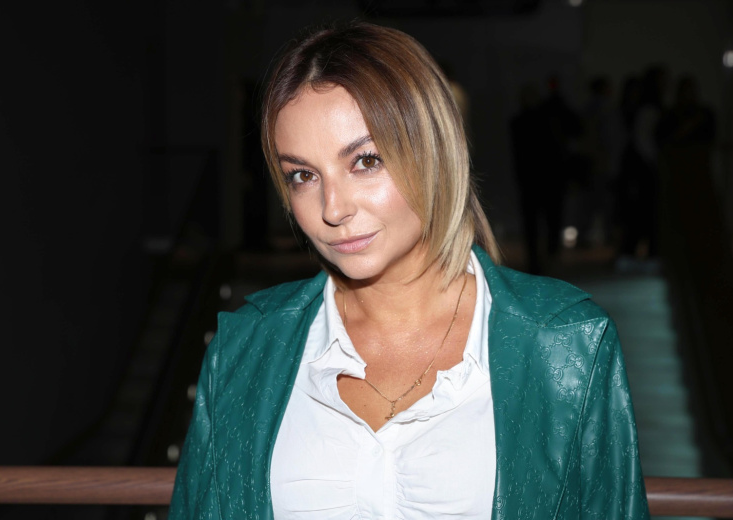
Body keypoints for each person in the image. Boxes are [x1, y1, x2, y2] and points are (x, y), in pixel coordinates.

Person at [170, 22, 649, 519]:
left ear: (434, 150)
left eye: (365, 161)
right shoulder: (244, 348)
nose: (332, 208)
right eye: (303, 175)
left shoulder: (567, 344)